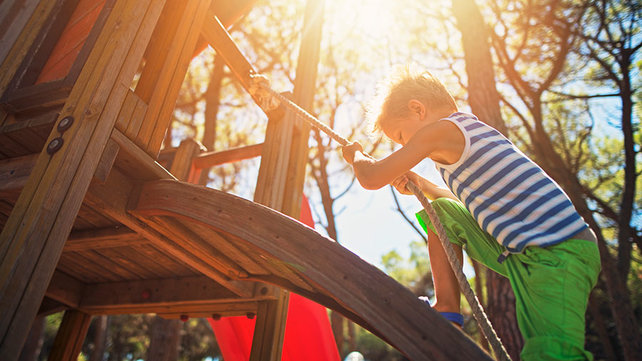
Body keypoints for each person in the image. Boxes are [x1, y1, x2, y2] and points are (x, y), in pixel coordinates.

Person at [341, 66, 601, 361]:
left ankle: (451, 308)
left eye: (401, 136)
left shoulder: (442, 130)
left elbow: (372, 177)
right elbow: (467, 209)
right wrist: (423, 184)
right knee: (442, 214)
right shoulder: (466, 136)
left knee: (552, 353)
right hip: (524, 254)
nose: (405, 146)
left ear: (418, 109)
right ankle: (448, 308)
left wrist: (357, 156)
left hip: (558, 250)